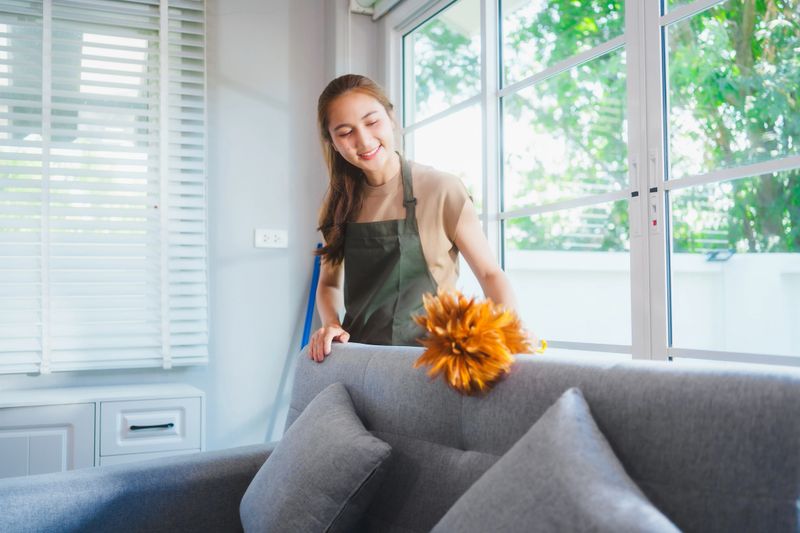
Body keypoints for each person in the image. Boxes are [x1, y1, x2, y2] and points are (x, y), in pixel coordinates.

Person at [308, 74, 518, 362]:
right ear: (331, 141)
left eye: (372, 122)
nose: (364, 140)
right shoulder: (338, 205)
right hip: (360, 363)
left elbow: (490, 274)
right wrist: (331, 323)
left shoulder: (441, 189)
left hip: (431, 366)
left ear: (391, 117)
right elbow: (329, 283)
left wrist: (509, 339)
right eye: (345, 132)